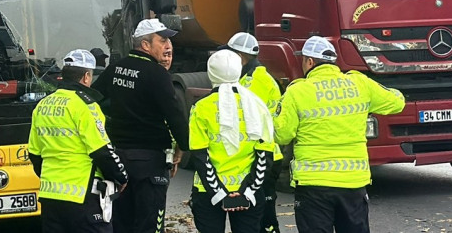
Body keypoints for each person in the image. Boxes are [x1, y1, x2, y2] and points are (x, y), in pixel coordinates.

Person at [274, 36, 405, 233]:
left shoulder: (297, 92)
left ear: (309, 62)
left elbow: (281, 135)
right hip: (353, 182)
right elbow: (397, 102)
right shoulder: (359, 84)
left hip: (313, 185)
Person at [92, 18, 189, 233]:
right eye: (162, 40)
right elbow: (175, 115)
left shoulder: (115, 69)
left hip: (118, 160)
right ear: (145, 45)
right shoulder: (157, 74)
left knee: (122, 221)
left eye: (169, 41)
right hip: (149, 161)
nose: (168, 46)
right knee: (149, 224)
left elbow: (92, 100)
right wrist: (181, 149)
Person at [28, 49, 129, 233]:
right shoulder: (86, 105)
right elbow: (102, 151)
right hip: (83, 197)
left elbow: (34, 154)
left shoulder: (42, 105)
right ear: (86, 77)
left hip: (50, 197)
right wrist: (120, 176)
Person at [189, 50, 276, 233]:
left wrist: (221, 194)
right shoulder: (258, 106)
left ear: (211, 73)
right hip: (250, 193)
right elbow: (264, 156)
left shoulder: (201, 108)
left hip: (208, 193)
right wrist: (247, 192)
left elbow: (200, 157)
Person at [224, 32, 283, 233]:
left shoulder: (254, 82)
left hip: (263, 156)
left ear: (240, 57)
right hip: (264, 154)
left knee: (263, 218)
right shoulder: (257, 77)